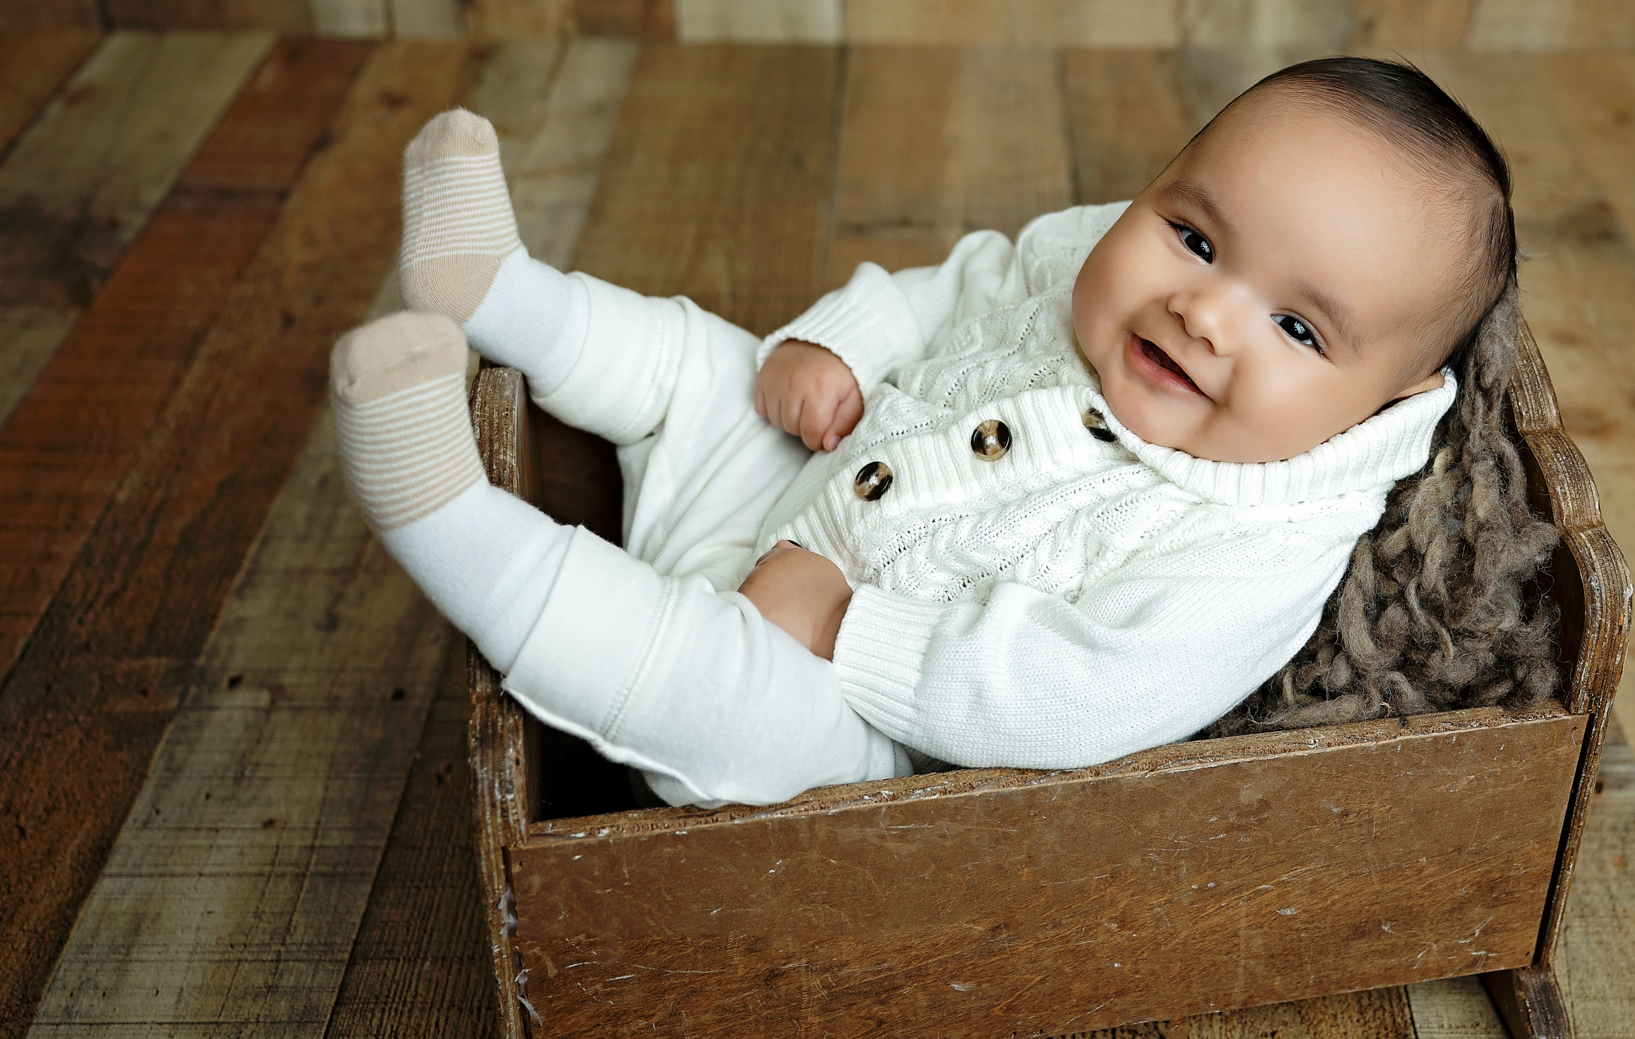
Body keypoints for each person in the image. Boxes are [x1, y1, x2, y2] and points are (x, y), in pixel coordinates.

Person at [328, 57, 1524, 808]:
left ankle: (445, 515)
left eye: (1297, 328)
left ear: (1387, 402)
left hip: (854, 725)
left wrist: (845, 630)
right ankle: (500, 290)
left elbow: (1079, 696)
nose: (1203, 312)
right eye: (1197, 238)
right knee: (710, 367)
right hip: (787, 488)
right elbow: (961, 283)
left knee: (720, 702)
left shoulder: (1259, 545)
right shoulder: (1091, 261)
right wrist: (839, 345)